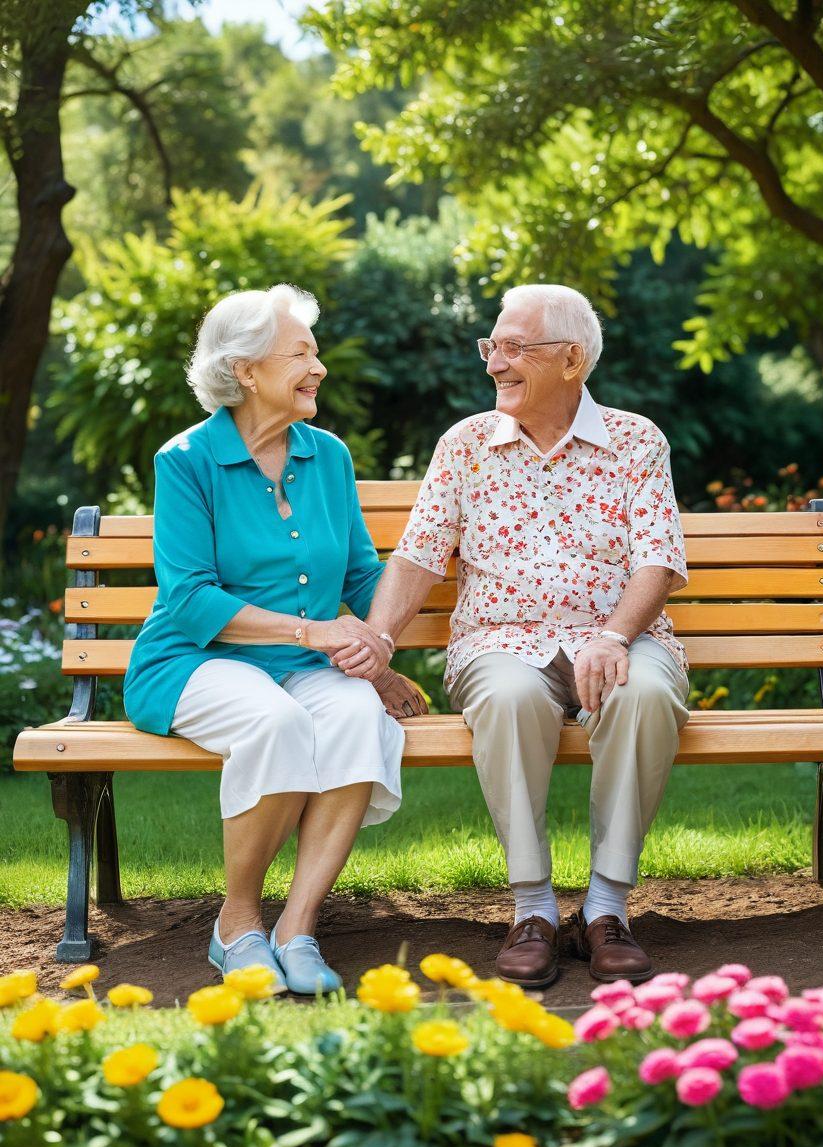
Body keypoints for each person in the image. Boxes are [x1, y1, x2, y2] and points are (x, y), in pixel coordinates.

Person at [333, 284, 690, 988]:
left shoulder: (635, 439)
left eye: (515, 347)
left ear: (572, 360)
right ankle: (531, 909)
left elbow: (659, 561)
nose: (495, 362)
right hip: (499, 641)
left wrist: (615, 637)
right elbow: (418, 554)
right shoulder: (465, 445)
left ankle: (606, 911)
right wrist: (378, 643)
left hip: (615, 637)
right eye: (491, 346)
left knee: (645, 691)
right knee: (507, 697)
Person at [124, 283, 417, 995]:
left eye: (315, 353)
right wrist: (317, 634)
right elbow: (190, 598)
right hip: (194, 661)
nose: (318, 368)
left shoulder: (328, 457)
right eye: (301, 353)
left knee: (354, 715)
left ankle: (298, 927)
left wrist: (375, 653)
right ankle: (238, 925)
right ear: (246, 369)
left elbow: (356, 574)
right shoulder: (186, 460)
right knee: (276, 721)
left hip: (298, 662)